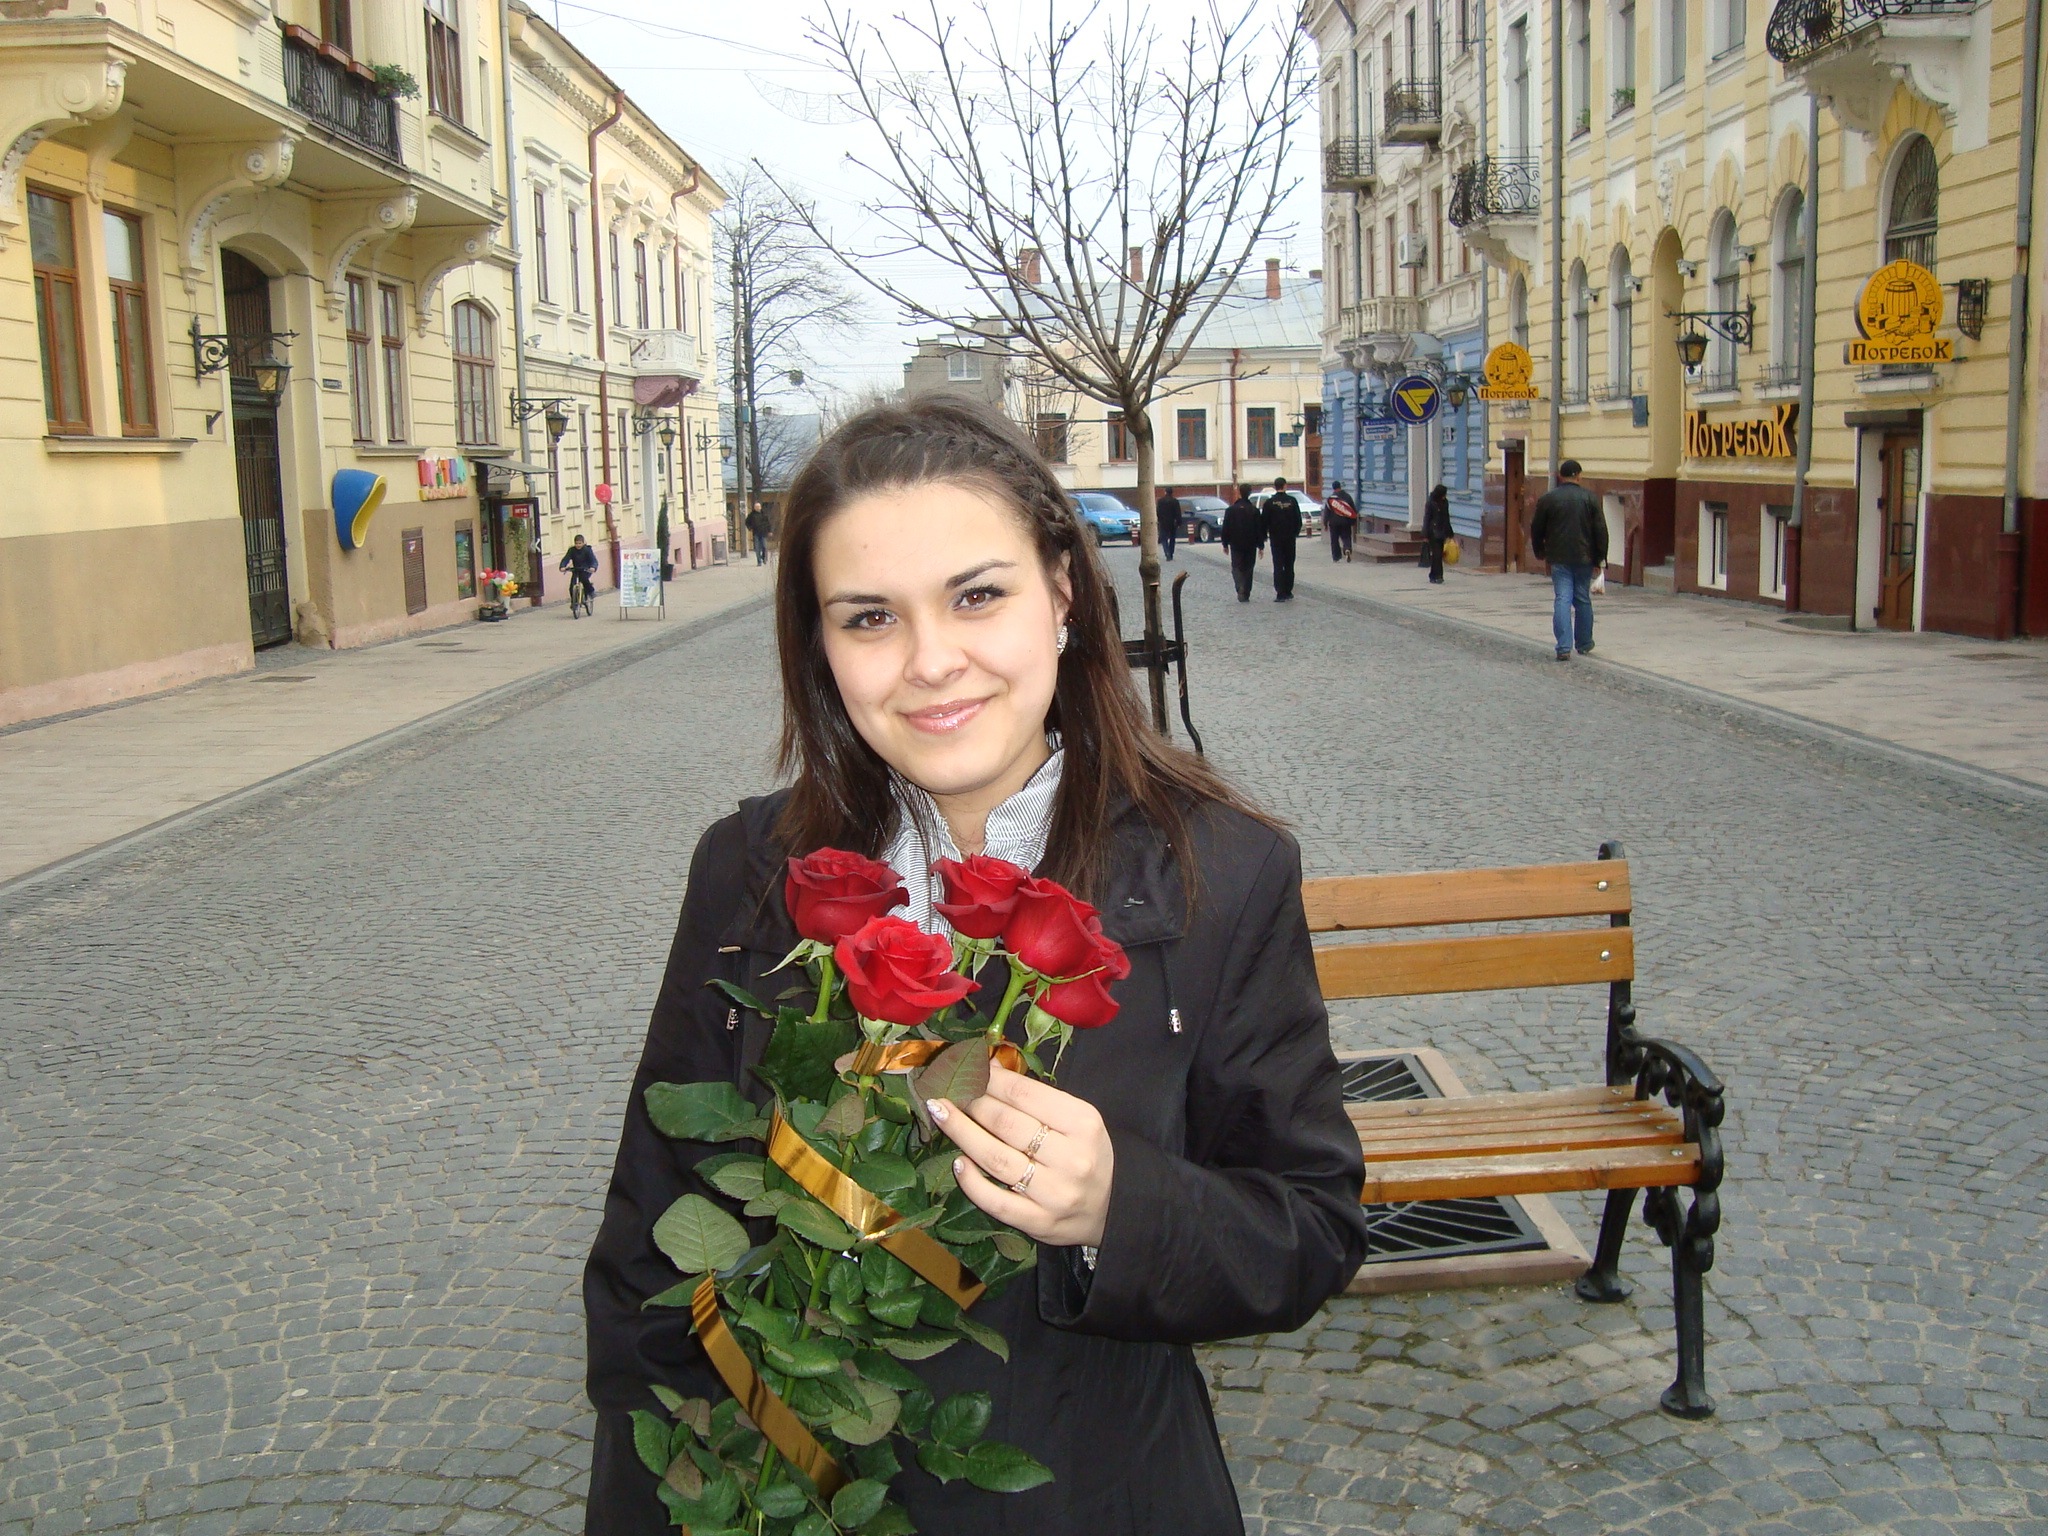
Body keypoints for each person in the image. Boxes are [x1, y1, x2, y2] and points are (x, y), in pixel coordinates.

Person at [582, 400, 1368, 1534]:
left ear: (1062, 591)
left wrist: (1119, 1205)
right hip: (791, 1498)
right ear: (818, 644)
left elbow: (1309, 1227)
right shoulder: (752, 871)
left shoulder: (1219, 873)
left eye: (977, 595)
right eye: (869, 617)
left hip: (1088, 1495)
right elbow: (648, 1249)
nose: (930, 662)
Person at [1529, 459, 1608, 659]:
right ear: (1579, 476)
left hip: (1559, 557)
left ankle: (1564, 646)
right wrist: (1600, 559)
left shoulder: (1548, 499)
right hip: (1584, 556)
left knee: (1562, 598)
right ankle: (1584, 642)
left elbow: (1536, 528)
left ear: (1560, 476)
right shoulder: (1590, 498)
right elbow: (1600, 530)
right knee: (1582, 598)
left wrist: (1540, 551)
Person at [1219, 481, 1265, 602]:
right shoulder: (1254, 510)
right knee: (1249, 568)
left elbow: (1226, 528)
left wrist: (1225, 544)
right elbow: (1259, 529)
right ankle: (1246, 591)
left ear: (1239, 493)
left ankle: (1239, 585)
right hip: (1251, 544)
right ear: (1249, 493)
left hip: (1235, 543)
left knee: (1236, 566)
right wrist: (1261, 546)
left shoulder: (1230, 510)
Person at [1262, 476, 1301, 601]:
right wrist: (1295, 533)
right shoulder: (1292, 501)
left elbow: (1264, 521)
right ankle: (1288, 590)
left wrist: (1264, 535)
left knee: (1278, 565)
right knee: (1289, 564)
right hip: (1290, 538)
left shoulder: (1269, 503)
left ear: (1275, 486)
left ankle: (1280, 592)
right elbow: (1298, 520)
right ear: (1285, 486)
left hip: (1276, 538)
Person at [557, 533, 598, 613]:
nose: (578, 545)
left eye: (580, 543)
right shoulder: (572, 550)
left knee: (584, 579)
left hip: (586, 569)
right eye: (576, 543)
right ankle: (574, 602)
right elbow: (566, 559)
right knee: (572, 586)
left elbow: (593, 560)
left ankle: (591, 591)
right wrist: (562, 566)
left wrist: (593, 567)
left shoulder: (587, 550)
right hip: (576, 569)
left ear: (583, 543)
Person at [1422, 484, 1453, 584]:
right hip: (1433, 532)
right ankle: (1438, 576)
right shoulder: (1430, 503)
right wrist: (1425, 534)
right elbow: (1427, 518)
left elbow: (1446, 517)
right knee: (1437, 554)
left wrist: (1450, 532)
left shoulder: (1445, 502)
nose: (1445, 496)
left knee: (1439, 554)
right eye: (1443, 494)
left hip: (1442, 531)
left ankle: (1433, 575)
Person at [1324, 480, 1359, 562]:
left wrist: (1325, 523)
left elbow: (1326, 512)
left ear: (1333, 488)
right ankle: (1347, 549)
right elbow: (1353, 510)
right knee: (1346, 537)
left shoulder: (1330, 499)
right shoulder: (1347, 497)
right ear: (1340, 486)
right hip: (1345, 521)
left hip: (1334, 523)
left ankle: (1336, 557)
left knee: (1334, 540)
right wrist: (1353, 521)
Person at [1156, 483, 1182, 562]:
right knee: (1172, 538)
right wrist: (1179, 522)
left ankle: (1166, 552)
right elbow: (1178, 513)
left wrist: (1159, 520)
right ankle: (1171, 553)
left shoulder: (1160, 501)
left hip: (1163, 522)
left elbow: (1158, 512)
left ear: (1165, 492)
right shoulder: (1175, 501)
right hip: (1172, 523)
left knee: (1164, 539)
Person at [745, 501, 772, 566]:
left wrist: (770, 531)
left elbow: (768, 523)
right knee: (757, 548)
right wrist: (750, 528)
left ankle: (764, 558)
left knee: (764, 547)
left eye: (758, 506)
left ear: (760, 507)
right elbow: (747, 522)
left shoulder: (764, 514)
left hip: (763, 533)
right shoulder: (751, 515)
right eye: (756, 507)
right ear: (754, 508)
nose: (757, 508)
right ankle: (759, 561)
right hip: (756, 533)